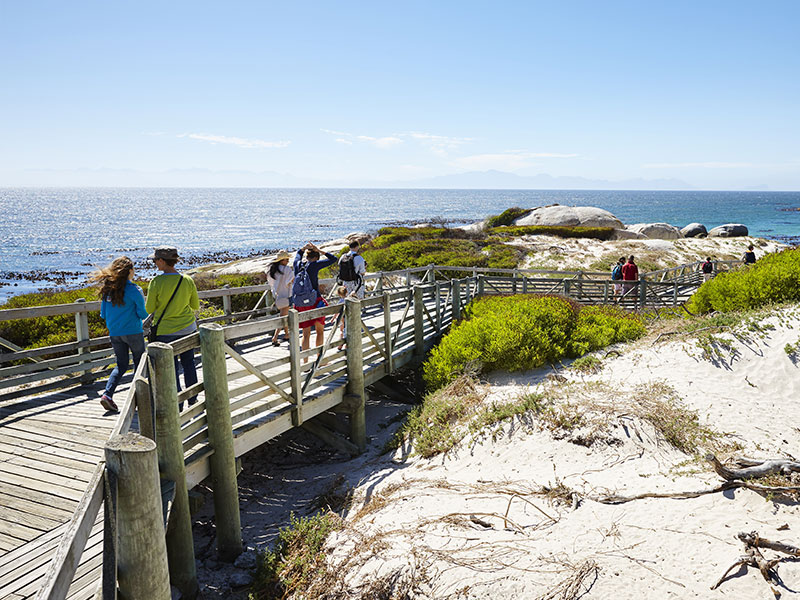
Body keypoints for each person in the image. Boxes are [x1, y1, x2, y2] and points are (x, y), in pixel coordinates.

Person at [90, 256, 148, 413]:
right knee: (139, 363)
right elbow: (143, 314)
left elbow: (103, 314)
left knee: (121, 365)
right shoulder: (135, 290)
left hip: (115, 333)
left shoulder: (108, 291)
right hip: (134, 332)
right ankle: (137, 398)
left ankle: (107, 395)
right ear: (129, 271)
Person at [145, 246, 200, 409]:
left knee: (172, 367)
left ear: (162, 261)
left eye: (155, 260)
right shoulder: (187, 280)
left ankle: (178, 401)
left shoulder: (156, 282)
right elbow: (195, 304)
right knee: (189, 363)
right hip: (187, 330)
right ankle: (193, 398)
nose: (154, 263)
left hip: (165, 332)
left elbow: (149, 309)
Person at [292, 242, 337, 356]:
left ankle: (306, 362)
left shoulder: (297, 264)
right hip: (315, 301)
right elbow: (333, 259)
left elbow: (298, 254)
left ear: (306, 257)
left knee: (305, 334)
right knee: (319, 332)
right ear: (316, 257)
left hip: (300, 304)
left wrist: (303, 248)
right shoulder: (314, 265)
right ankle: (319, 361)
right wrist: (320, 250)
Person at [267, 250, 294, 346]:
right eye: (286, 259)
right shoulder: (287, 270)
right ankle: (275, 337)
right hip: (286, 296)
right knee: (283, 317)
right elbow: (290, 281)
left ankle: (287, 334)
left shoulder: (272, 270)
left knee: (284, 315)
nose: (287, 261)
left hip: (278, 296)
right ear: (281, 260)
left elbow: (271, 284)